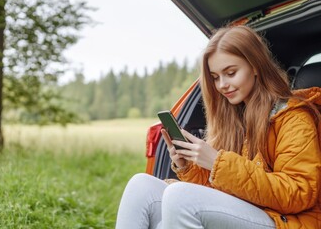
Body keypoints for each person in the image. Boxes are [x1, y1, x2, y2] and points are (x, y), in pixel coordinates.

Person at [115, 25, 321, 229]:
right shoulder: (233, 118)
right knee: (141, 185)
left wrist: (217, 163)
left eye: (230, 73)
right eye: (215, 77)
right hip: (251, 211)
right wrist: (189, 166)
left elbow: (299, 193)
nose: (222, 84)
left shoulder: (294, 117)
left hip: (286, 221)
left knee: (180, 197)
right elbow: (218, 193)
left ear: (255, 66)